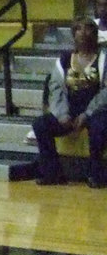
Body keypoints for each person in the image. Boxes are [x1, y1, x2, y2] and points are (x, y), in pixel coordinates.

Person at [31, 18, 107, 187]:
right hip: (69, 110)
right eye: (78, 29)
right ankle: (53, 173)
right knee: (41, 124)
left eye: (88, 29)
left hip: (97, 110)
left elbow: (105, 92)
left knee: (99, 125)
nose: (83, 33)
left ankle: (96, 174)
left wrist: (86, 114)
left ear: (95, 35)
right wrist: (62, 114)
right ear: (73, 34)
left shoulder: (104, 58)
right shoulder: (64, 60)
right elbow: (56, 88)